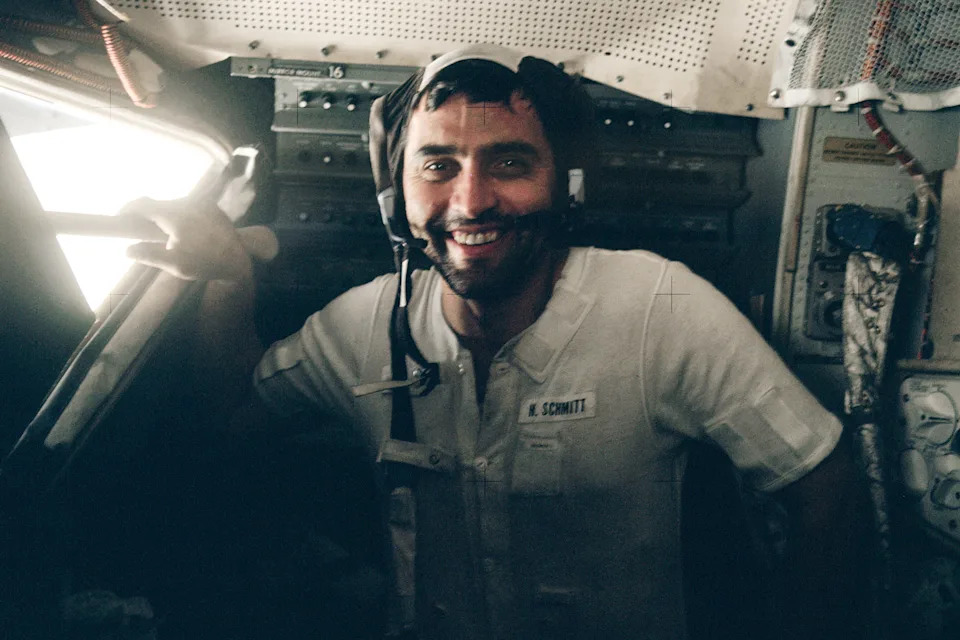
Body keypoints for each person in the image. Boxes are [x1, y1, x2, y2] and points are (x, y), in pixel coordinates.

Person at [126, 43, 866, 640]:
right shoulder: (362, 326)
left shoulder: (660, 306)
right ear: (394, 195)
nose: (471, 200)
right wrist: (227, 279)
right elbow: (232, 417)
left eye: (510, 163)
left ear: (568, 183)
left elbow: (821, 481)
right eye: (437, 166)